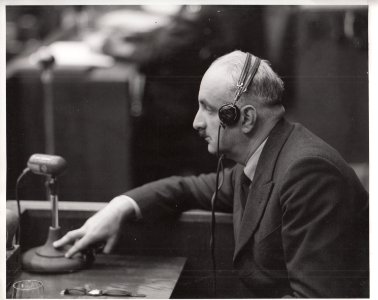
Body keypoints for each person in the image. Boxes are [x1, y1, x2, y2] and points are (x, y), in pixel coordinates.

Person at [53, 51, 369, 298]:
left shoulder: (307, 173)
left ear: (243, 118)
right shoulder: (261, 161)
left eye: (207, 108)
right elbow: (186, 188)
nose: (196, 122)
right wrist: (119, 206)